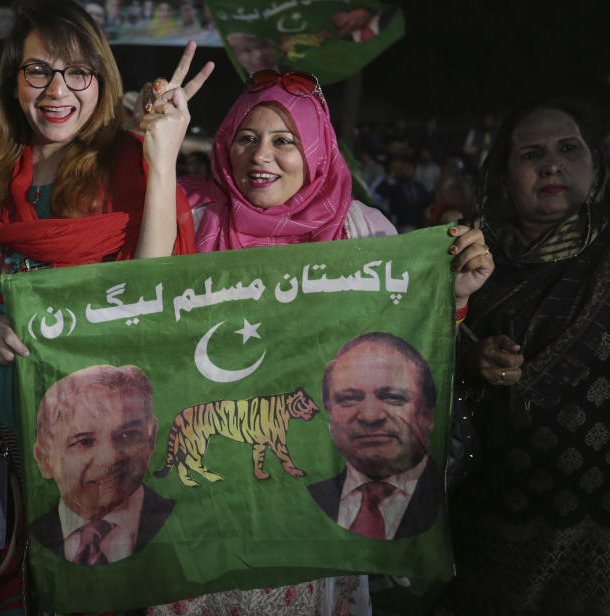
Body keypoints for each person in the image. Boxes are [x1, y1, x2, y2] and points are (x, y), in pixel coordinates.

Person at [145, 69, 493, 616]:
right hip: (203, 510)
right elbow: (140, 313)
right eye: (247, 137)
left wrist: (452, 301)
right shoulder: (188, 213)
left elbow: (398, 354)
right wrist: (159, 161)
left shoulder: (362, 231)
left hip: (314, 509)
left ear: (317, 151)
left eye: (285, 141)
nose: (261, 155)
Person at [0, 0, 212, 615]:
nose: (57, 89)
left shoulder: (127, 164)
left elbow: (148, 296)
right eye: (39, 70)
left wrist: (162, 158)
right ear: (14, 80)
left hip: (94, 443)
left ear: (101, 80)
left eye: (77, 72)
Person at [442, 99, 610, 615]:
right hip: (482, 521)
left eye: (568, 149)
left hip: (595, 530)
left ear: (596, 165)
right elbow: (405, 360)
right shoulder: (464, 257)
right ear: (502, 175)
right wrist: (470, 361)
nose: (551, 164)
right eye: (530, 153)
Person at [31, 365, 174, 565]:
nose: (110, 459)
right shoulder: (25, 538)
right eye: (84, 441)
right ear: (44, 458)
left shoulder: (189, 522)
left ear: (152, 438)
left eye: (128, 434)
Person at [309, 332, 441, 541]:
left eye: (392, 397)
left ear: (428, 414)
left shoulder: (460, 494)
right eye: (349, 399)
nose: (370, 416)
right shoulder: (301, 502)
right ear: (330, 416)